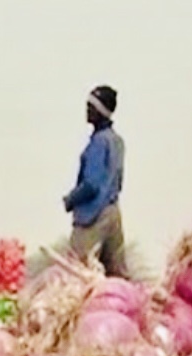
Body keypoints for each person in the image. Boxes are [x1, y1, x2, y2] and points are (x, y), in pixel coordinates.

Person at [63, 85, 128, 279]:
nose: (87, 111)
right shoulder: (117, 141)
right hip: (113, 211)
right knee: (117, 275)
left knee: (78, 273)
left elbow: (91, 185)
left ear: (101, 111)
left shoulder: (98, 143)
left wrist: (71, 199)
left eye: (91, 107)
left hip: (93, 215)